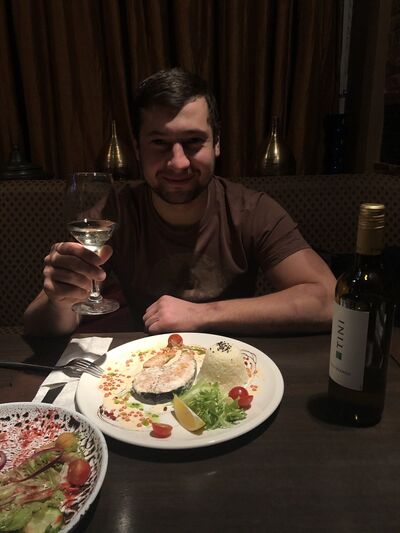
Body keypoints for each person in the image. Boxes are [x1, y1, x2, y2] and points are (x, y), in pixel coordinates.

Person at [24, 67, 336, 336]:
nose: (178, 162)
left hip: (235, 365)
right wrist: (58, 301)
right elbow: (38, 325)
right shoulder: (112, 213)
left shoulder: (253, 211)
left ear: (216, 144)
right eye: (160, 142)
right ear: (138, 149)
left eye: (193, 141)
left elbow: (328, 300)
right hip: (145, 369)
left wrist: (202, 314)